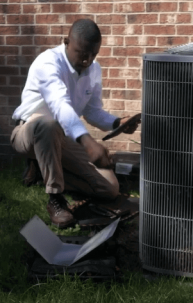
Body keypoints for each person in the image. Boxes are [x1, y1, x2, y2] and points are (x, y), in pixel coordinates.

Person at [11, 19, 139, 228]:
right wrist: (88, 143)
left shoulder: (93, 69)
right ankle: (55, 198)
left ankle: (42, 172)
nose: (88, 60)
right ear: (67, 42)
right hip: (29, 131)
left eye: (93, 54)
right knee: (48, 124)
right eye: (82, 53)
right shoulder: (48, 63)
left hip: (62, 137)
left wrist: (117, 122)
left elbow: (92, 111)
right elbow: (61, 106)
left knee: (109, 189)